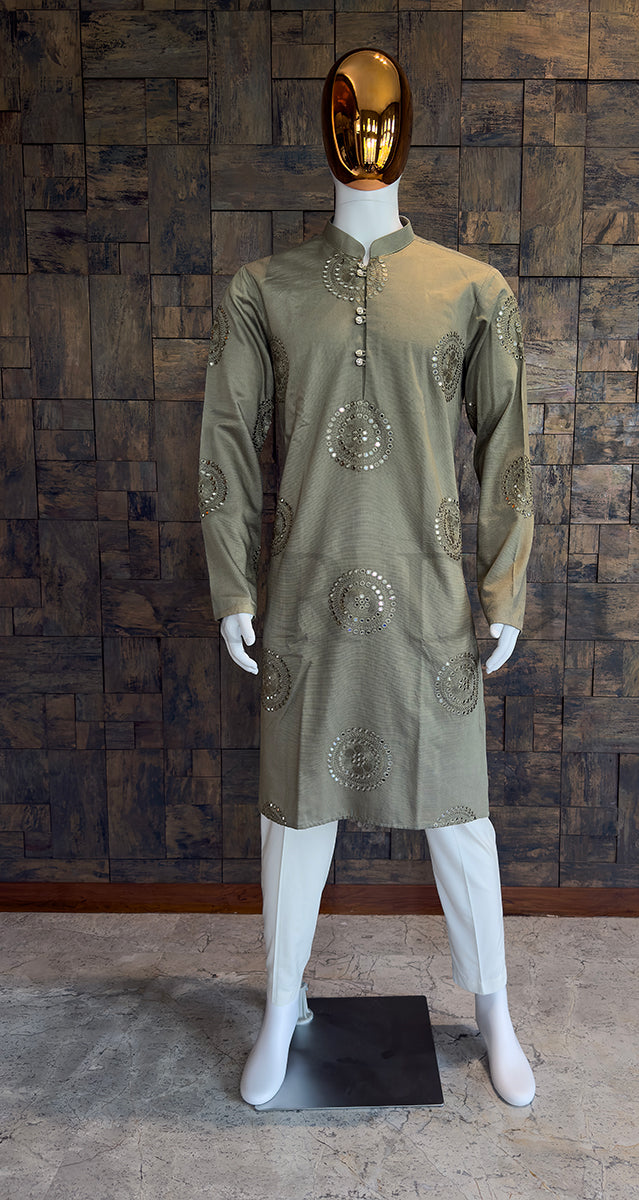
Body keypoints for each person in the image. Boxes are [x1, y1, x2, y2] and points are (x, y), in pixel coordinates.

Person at [199, 47, 536, 1107]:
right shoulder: (265, 290)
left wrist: (504, 589)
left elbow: (509, 449)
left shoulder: (473, 289)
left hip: (428, 594)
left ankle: (495, 1013)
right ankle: (280, 1004)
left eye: (386, 113)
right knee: (293, 815)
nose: (368, 131)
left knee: (459, 815)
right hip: (304, 598)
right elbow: (225, 442)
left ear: (411, 131)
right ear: (325, 129)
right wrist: (233, 587)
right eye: (350, 111)